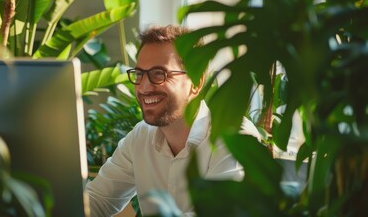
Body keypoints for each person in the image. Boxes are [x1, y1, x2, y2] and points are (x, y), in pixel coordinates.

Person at [86, 25, 260, 216]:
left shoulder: (234, 137)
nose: (144, 87)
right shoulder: (140, 136)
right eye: (140, 74)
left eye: (159, 74)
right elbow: (98, 200)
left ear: (196, 82)